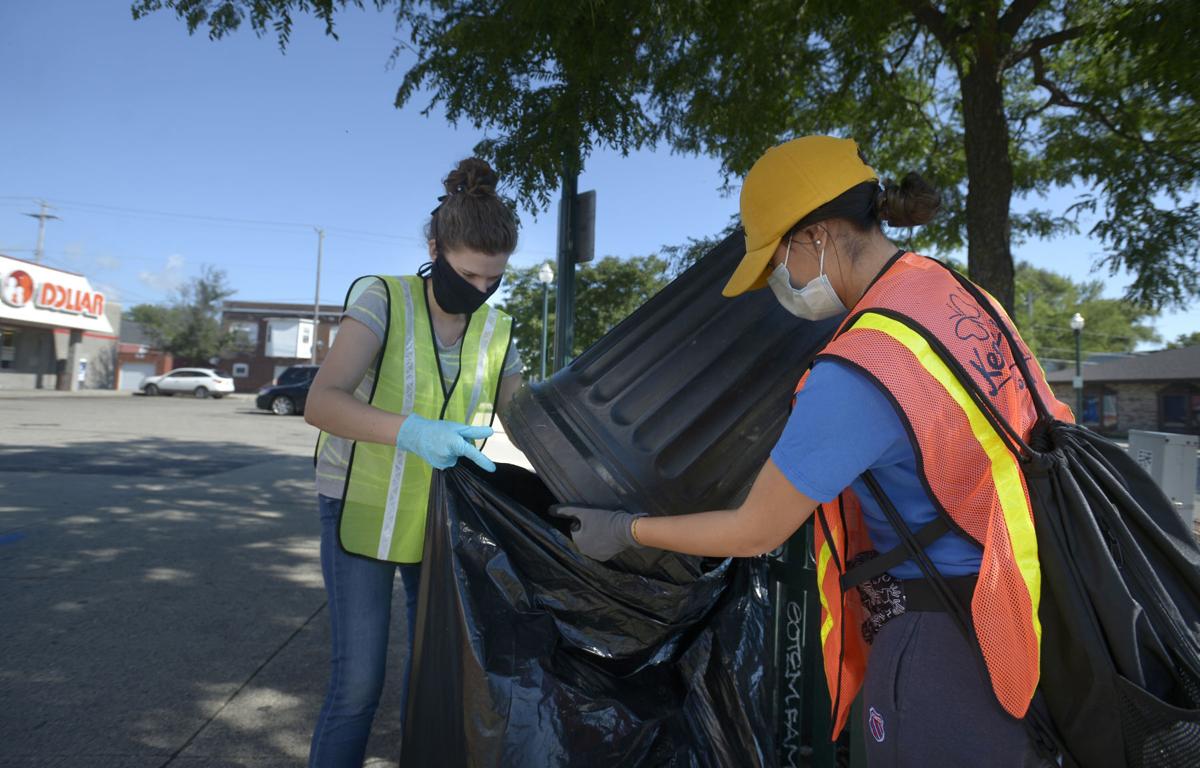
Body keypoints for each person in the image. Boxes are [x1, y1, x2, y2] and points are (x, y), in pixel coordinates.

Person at [553, 136, 1070, 767]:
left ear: (816, 237)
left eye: (776, 260)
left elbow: (754, 530)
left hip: (943, 640)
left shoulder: (865, 365)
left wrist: (624, 528)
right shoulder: (958, 298)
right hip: (1024, 601)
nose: (780, 280)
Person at [303, 157, 525, 768]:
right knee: (357, 684)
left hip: (440, 518)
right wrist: (411, 432)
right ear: (434, 247)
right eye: (469, 275)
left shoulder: (498, 329)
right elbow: (321, 402)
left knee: (434, 679)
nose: (480, 291)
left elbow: (527, 417)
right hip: (362, 508)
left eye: (494, 280)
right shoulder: (384, 298)